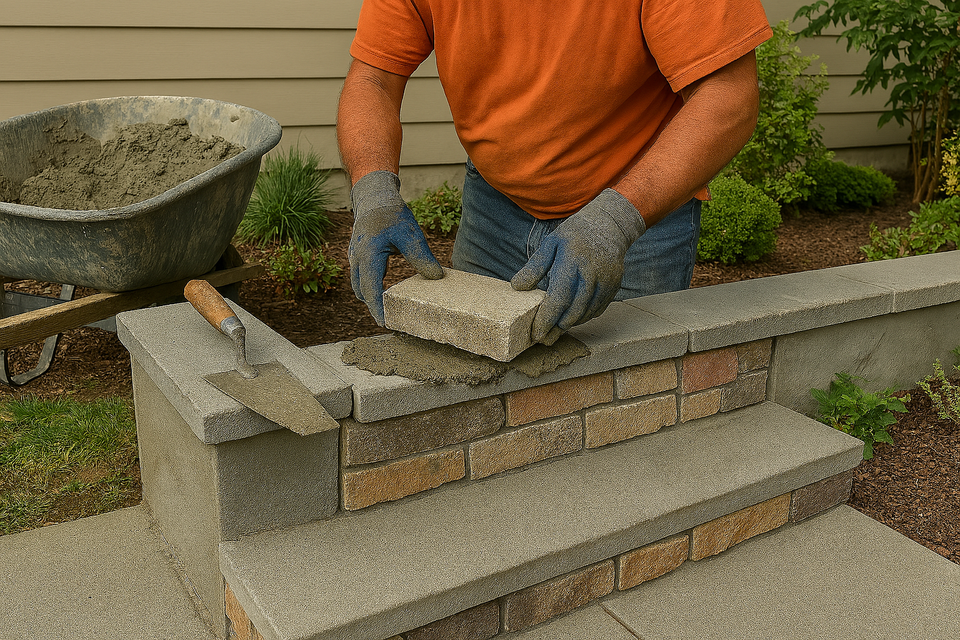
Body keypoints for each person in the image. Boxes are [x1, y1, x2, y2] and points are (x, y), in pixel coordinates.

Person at [337, 0, 772, 345]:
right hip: (494, 207)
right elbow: (373, 79)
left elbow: (728, 96)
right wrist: (374, 192)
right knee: (475, 391)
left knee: (625, 403)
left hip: (635, 220)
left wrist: (613, 223)